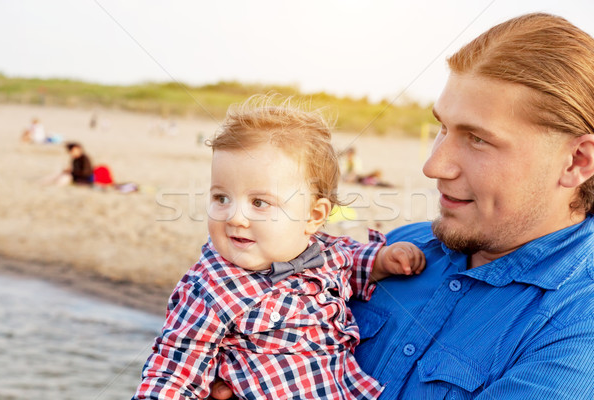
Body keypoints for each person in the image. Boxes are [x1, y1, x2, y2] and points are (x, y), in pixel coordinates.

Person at [211, 12, 594, 399]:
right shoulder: (401, 250)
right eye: (443, 128)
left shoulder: (578, 323)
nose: (434, 166)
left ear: (576, 161)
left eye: (478, 139)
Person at [132, 98, 426, 400]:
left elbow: (351, 259)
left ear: (313, 217)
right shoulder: (209, 289)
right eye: (221, 198)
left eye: (259, 203)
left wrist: (383, 259)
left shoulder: (324, 253)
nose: (234, 216)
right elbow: (173, 374)